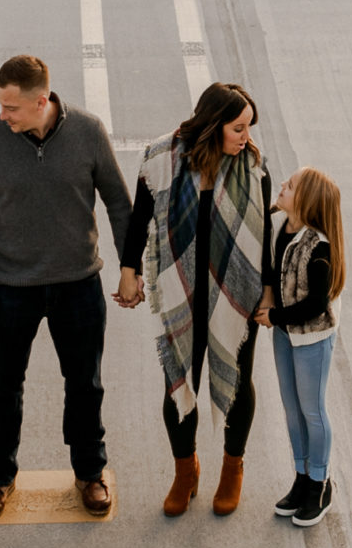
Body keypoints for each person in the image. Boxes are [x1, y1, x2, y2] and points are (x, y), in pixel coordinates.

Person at [0, 53, 130, 520]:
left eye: (11, 107)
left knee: (85, 385)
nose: (2, 115)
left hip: (78, 285)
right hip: (13, 287)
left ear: (41, 101)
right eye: (0, 105)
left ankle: (90, 473)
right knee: (3, 388)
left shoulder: (88, 133)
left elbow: (118, 203)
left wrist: (131, 269)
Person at [116, 80, 272, 518]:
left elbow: (267, 240)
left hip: (236, 297)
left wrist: (269, 294)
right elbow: (139, 219)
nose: (248, 137)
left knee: (238, 383)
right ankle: (186, 473)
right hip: (181, 292)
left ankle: (231, 469)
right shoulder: (163, 160)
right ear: (213, 125)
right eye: (239, 128)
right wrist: (129, 273)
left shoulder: (254, 167)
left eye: (249, 128)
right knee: (179, 383)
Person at [261, 167, 347, 527]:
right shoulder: (284, 227)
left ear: (306, 202)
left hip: (311, 338)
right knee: (292, 409)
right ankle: (301, 477)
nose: (283, 185)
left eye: (290, 186)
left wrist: (274, 317)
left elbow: (316, 304)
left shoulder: (320, 248)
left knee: (312, 410)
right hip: (285, 334)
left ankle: (320, 483)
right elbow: (270, 270)